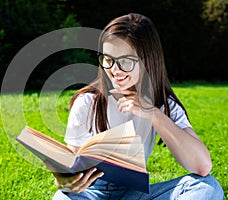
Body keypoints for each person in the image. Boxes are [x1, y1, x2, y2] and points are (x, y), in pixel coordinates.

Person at [52, 13, 224, 199]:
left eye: (125, 61)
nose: (114, 70)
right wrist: (63, 180)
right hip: (90, 194)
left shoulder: (162, 103)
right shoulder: (87, 101)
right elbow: (72, 163)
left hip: (135, 195)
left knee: (207, 187)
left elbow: (202, 165)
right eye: (108, 59)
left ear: (147, 60)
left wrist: (153, 114)